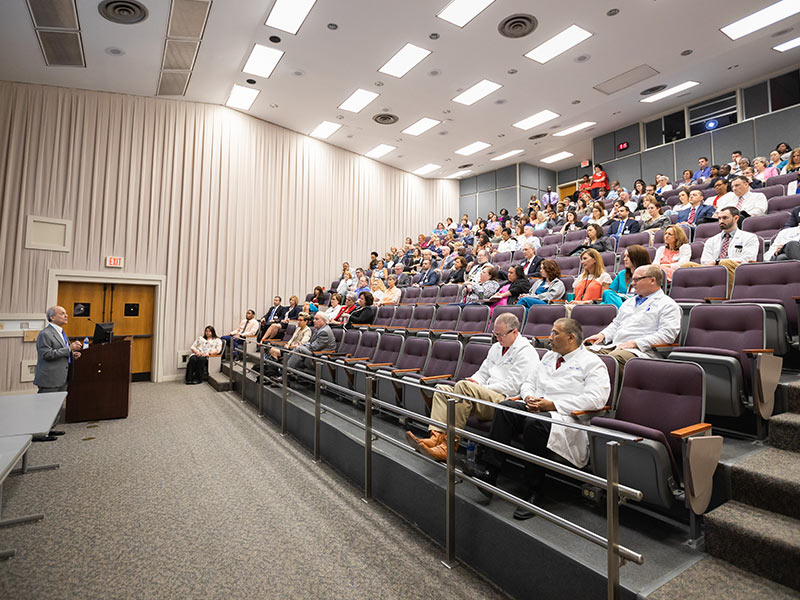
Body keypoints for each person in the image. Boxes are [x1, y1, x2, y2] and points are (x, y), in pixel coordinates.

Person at [475, 318, 609, 518]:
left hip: (566, 417)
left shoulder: (592, 363)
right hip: (539, 407)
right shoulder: (548, 357)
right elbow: (529, 382)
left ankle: (533, 492)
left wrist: (553, 405)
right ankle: (490, 472)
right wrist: (529, 396)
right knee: (505, 409)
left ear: (571, 338)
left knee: (534, 423)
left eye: (555, 333)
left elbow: (596, 399)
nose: (550, 337)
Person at [405, 313, 539, 460]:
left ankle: (448, 446)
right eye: (495, 334)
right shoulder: (496, 347)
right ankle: (435, 437)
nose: (497, 338)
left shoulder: (526, 352)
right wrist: (474, 381)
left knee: (463, 387)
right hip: (485, 393)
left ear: (514, 332)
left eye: (500, 335)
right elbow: (482, 373)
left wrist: (479, 388)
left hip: (504, 399)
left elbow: (512, 386)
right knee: (442, 389)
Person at [585, 265, 681, 370]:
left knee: (613, 359)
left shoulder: (668, 304)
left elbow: (667, 335)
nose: (632, 283)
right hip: (617, 347)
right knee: (581, 353)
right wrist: (602, 335)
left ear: (652, 280)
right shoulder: (629, 302)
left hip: (642, 351)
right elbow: (616, 324)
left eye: (636, 280)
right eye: (632, 279)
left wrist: (635, 343)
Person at [33, 306, 83, 440]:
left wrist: (72, 354)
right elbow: (46, 354)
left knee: (56, 405)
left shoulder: (61, 332)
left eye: (66, 313)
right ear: (52, 317)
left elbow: (62, 352)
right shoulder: (45, 334)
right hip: (50, 377)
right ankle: (38, 433)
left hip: (62, 376)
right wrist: (69, 349)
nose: (66, 315)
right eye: (62, 314)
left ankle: (50, 428)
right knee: (45, 405)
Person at [683, 207, 759, 287]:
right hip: (712, 271)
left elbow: (748, 260)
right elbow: (705, 262)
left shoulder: (750, 237)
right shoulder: (711, 240)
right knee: (686, 265)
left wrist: (718, 261)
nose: (721, 221)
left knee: (725, 262)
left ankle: (729, 297)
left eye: (725, 218)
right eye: (719, 218)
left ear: (736, 218)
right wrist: (716, 264)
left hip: (737, 272)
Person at [286, 312, 337, 377]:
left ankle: (286, 373)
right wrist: (303, 345)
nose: (314, 321)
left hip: (321, 356)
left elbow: (314, 347)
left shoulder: (324, 332)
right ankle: (288, 373)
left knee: (299, 349)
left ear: (324, 321)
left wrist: (302, 346)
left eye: (316, 319)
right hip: (315, 352)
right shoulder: (319, 329)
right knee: (298, 348)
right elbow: (311, 343)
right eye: (314, 319)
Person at [266, 312, 312, 380]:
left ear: (306, 321)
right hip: (288, 347)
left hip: (293, 350)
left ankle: (275, 373)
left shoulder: (307, 330)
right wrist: (288, 343)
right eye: (298, 320)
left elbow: (302, 343)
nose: (298, 322)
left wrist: (290, 346)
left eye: (300, 320)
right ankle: (272, 371)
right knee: (270, 347)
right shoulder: (298, 328)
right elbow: (292, 339)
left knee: (274, 351)